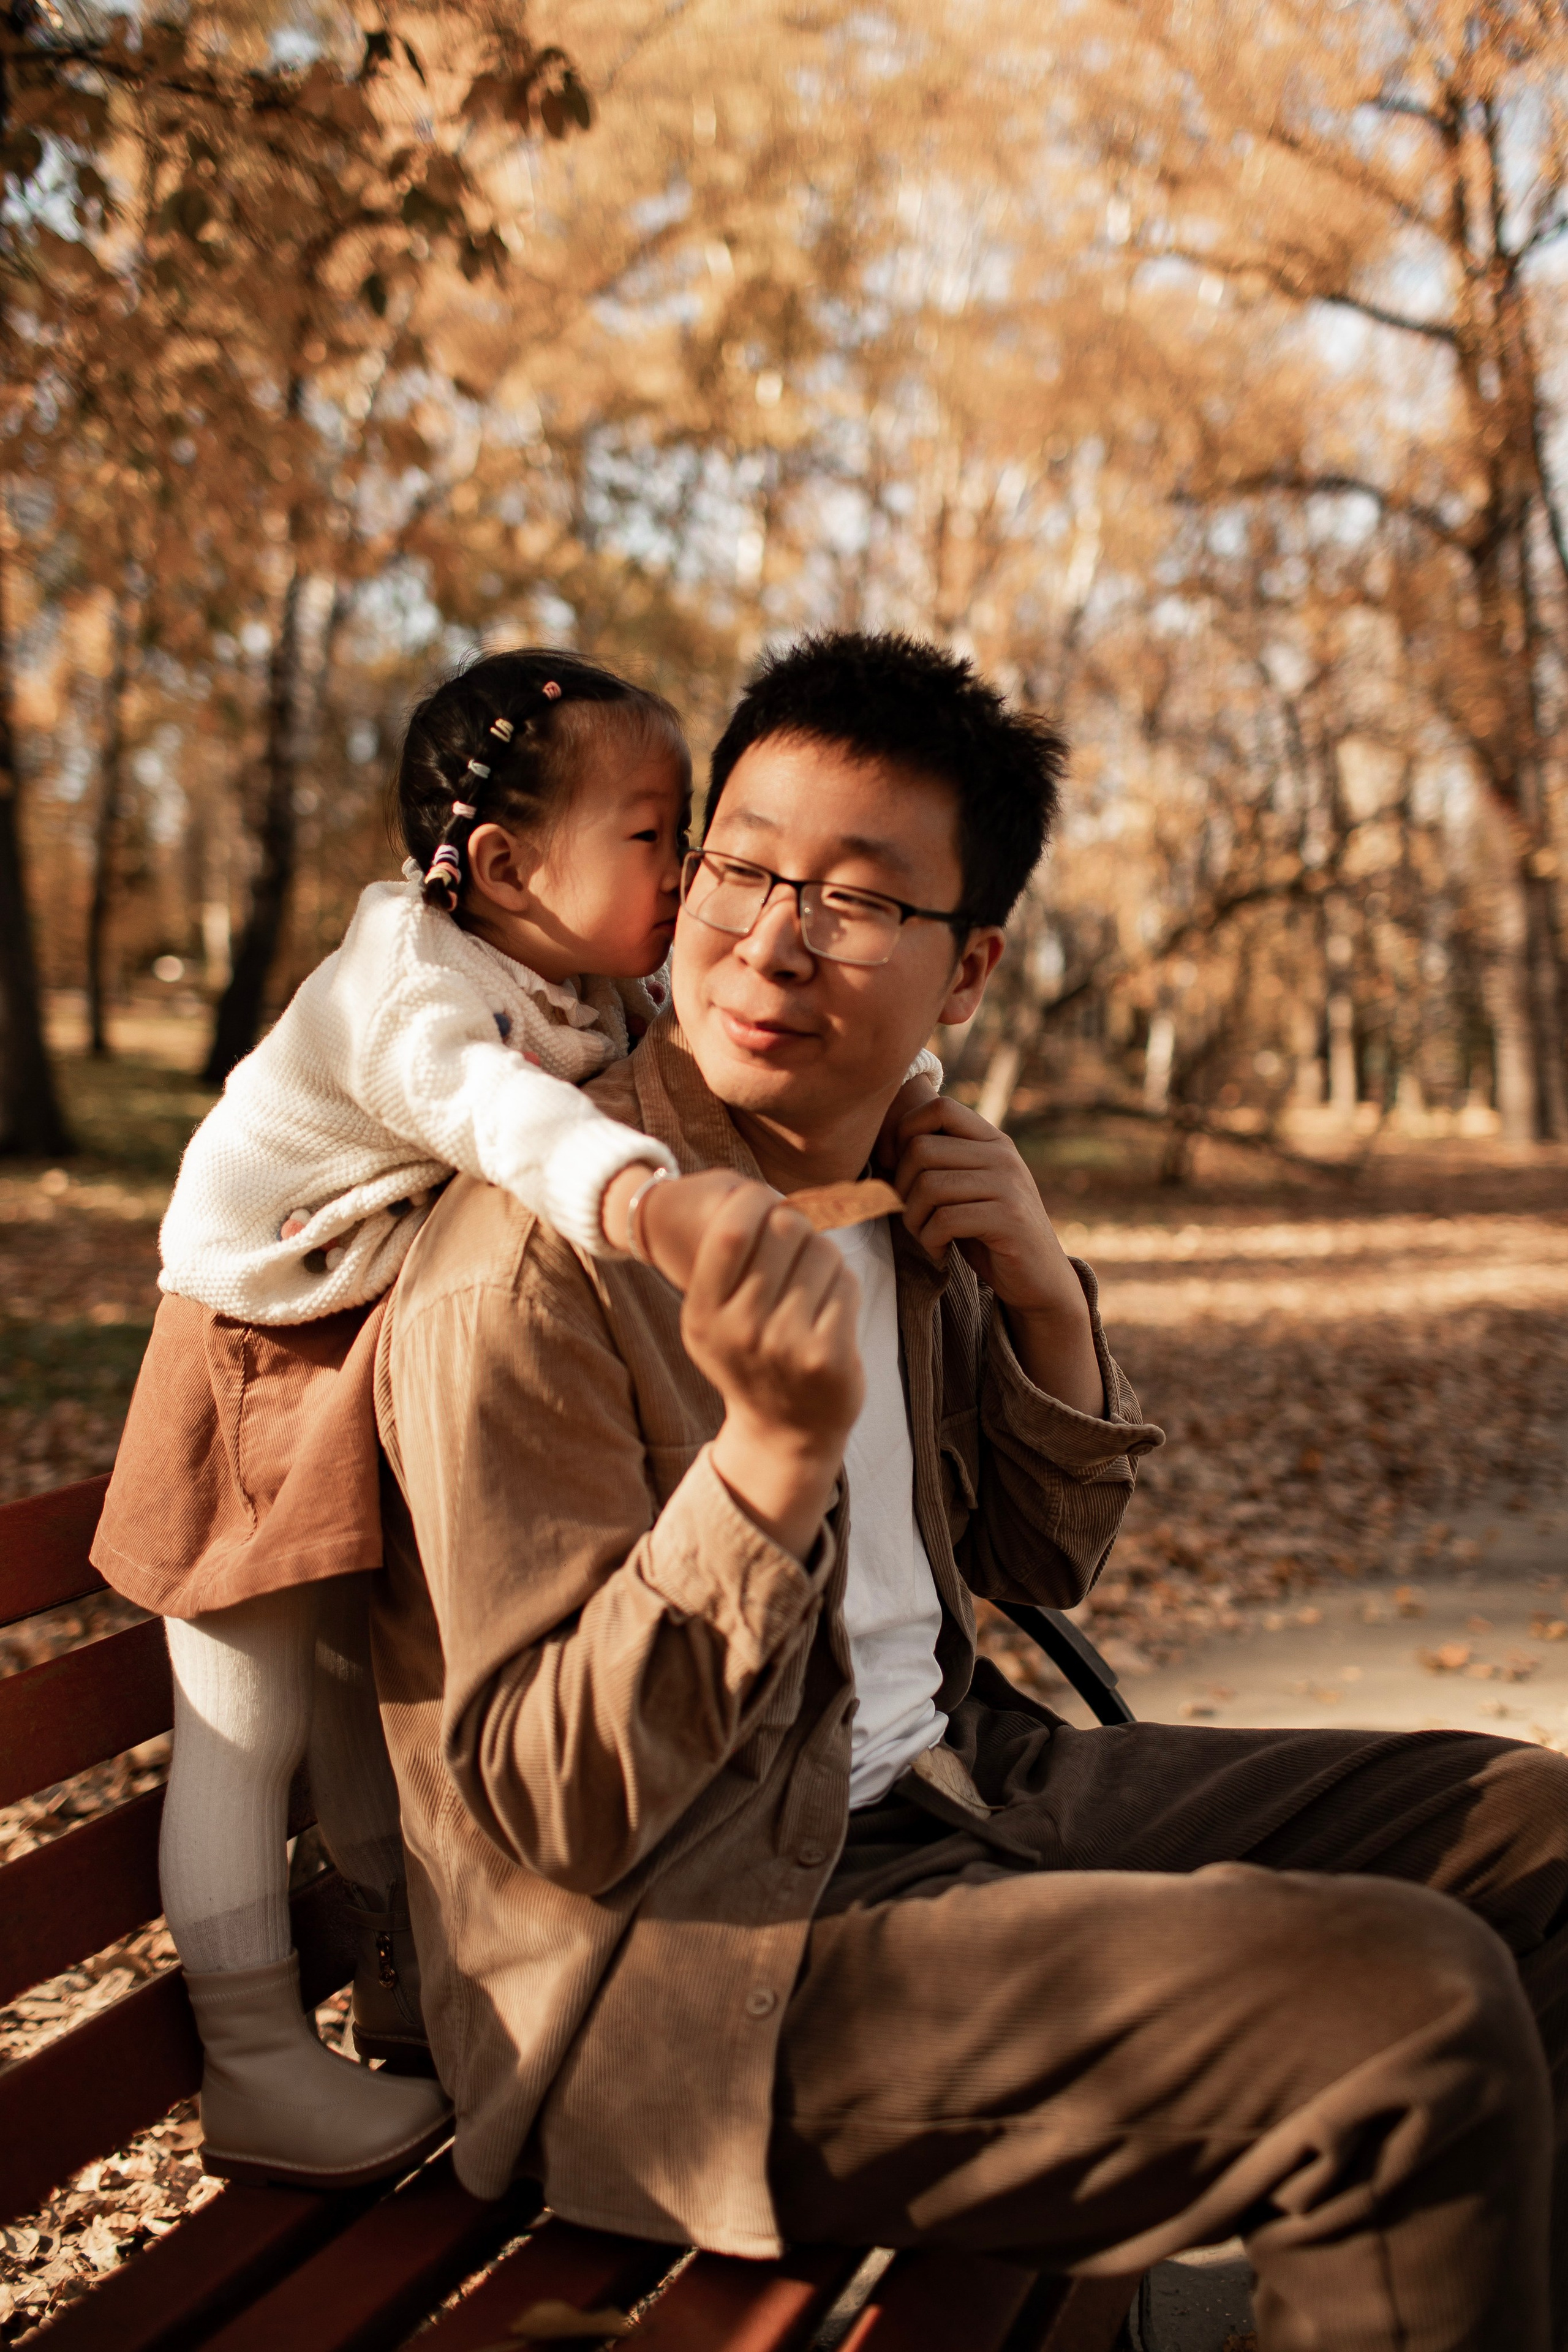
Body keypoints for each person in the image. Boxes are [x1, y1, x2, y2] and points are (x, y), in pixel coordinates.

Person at [372, 630, 1568, 2351]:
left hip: (967, 1797)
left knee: (1536, 1837)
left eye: (855, 898)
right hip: (692, 1975)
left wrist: (1043, 1304)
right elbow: (553, 1806)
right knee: (1403, 2019)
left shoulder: (900, 1193)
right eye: (741, 867)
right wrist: (764, 1471)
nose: (770, 940)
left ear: (969, 970)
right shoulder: (542, 1262)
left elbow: (1042, 1562)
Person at [91, 647, 821, 2190]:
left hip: (363, 1341)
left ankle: (413, 1997)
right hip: (248, 1349)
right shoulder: (405, 986)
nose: (686, 866)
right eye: (653, 831)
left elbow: (686, 1059)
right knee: (247, 1723)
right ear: (500, 863)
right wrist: (649, 1204)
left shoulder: (580, 972)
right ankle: (251, 2061)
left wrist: (895, 1069)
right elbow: (506, 1119)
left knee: (362, 1703)